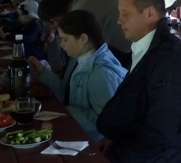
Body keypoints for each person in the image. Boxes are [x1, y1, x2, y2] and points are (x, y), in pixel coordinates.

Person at [60, 0, 181, 163]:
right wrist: (112, 140)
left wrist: (114, 153)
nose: (118, 20)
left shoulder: (169, 62)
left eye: (125, 14)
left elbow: (161, 133)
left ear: (149, 13)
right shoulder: (149, 49)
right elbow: (140, 111)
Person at [49, 10, 127, 142]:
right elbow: (67, 93)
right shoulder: (77, 59)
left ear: (83, 38)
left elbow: (106, 121)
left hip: (92, 143)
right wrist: (42, 73)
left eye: (65, 39)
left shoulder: (101, 73)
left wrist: (66, 114)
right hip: (77, 133)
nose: (61, 45)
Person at [37, 0, 132, 68]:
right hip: (132, 38)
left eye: (52, 24)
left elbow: (84, 48)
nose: (54, 28)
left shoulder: (78, 16)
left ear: (54, 19)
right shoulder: (79, 4)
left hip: (128, 49)